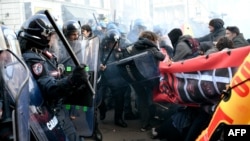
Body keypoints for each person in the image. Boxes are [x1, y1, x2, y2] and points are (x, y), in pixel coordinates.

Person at [17, 14, 89, 141]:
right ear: (43, 36)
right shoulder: (32, 59)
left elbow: (55, 74)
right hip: (50, 113)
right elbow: (49, 88)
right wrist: (73, 80)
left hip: (58, 109)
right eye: (52, 35)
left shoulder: (42, 54)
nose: (55, 38)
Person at [124, 31, 166, 131]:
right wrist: (157, 48)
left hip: (135, 77)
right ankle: (149, 119)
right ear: (152, 39)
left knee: (141, 98)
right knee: (150, 97)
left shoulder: (133, 47)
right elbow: (162, 57)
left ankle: (144, 123)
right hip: (149, 78)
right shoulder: (151, 47)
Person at [98, 28, 131, 128]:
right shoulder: (101, 49)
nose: (114, 45)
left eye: (116, 42)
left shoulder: (122, 49)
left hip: (116, 78)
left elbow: (127, 61)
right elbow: (95, 59)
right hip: (104, 77)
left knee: (119, 99)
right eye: (112, 42)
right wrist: (99, 65)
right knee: (100, 97)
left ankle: (118, 118)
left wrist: (121, 54)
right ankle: (102, 109)